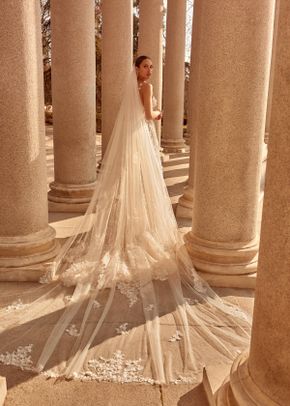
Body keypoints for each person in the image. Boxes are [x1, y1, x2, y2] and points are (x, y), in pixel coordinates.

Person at [0, 56, 251, 385]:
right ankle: (140, 232)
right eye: (145, 66)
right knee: (147, 192)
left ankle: (135, 232)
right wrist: (160, 114)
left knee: (136, 192)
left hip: (134, 145)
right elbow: (149, 117)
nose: (148, 72)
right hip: (142, 143)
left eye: (149, 67)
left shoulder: (133, 88)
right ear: (137, 69)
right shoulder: (144, 89)